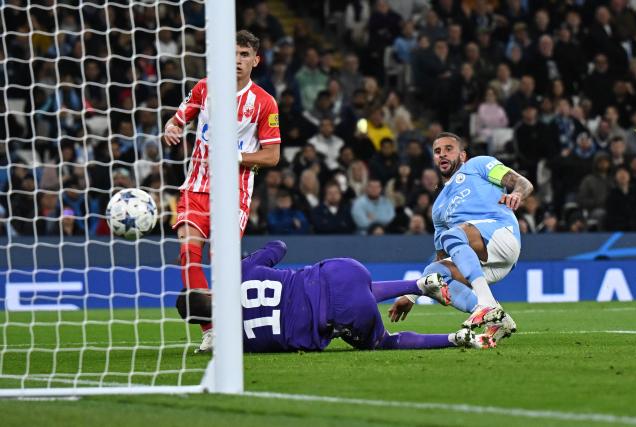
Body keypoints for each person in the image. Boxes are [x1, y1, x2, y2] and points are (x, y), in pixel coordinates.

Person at [163, 30, 281, 352]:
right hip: (196, 186)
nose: (237, 61)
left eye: (244, 55)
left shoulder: (265, 103)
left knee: (221, 263)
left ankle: (231, 320)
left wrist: (237, 156)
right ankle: (211, 329)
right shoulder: (205, 87)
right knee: (188, 254)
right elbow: (176, 121)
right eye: (232, 54)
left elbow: (272, 156)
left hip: (234, 193)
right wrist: (171, 129)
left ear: (255, 60)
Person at [176, 240, 495, 353]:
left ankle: (456, 339)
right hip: (340, 270)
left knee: (386, 342)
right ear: (206, 289)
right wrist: (246, 260)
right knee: (352, 291)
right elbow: (279, 248)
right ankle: (416, 285)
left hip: (339, 314)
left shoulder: (238, 344)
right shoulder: (239, 272)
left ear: (204, 322)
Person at [389, 132, 534, 341]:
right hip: (486, 262)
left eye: (449, 149)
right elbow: (441, 258)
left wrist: (517, 194)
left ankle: (485, 304)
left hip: (502, 235)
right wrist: (412, 294)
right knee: (435, 274)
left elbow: (521, 182)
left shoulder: (478, 165)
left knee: (454, 234)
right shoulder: (438, 207)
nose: (442, 155)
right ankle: (497, 318)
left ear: (463, 155)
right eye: (437, 151)